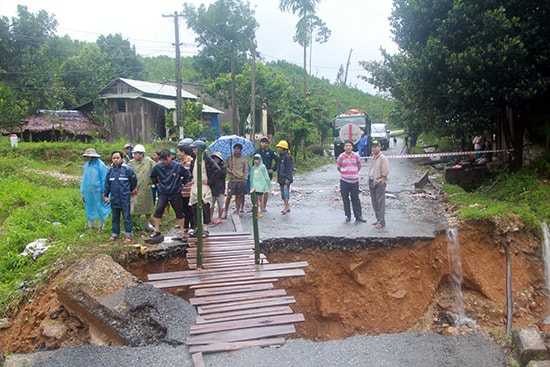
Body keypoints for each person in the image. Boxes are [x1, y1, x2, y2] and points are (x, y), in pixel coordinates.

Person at [149, 149, 190, 241]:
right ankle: (156, 230)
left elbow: (187, 174)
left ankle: (182, 230)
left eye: (166, 159)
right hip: (163, 191)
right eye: (162, 160)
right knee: (158, 209)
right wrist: (157, 184)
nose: (165, 162)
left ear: (170, 157)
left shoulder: (177, 166)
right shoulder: (158, 167)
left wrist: (183, 183)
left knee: (179, 211)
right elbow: (152, 176)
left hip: (175, 191)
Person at [102, 150, 137, 243]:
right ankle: (115, 234)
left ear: (122, 159)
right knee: (115, 218)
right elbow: (107, 185)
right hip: (114, 199)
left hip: (125, 199)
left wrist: (128, 191)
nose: (116, 160)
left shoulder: (127, 170)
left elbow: (133, 181)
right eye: (114, 158)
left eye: (117, 158)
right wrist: (105, 195)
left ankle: (128, 235)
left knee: (126, 217)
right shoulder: (110, 171)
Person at [188, 140, 219, 237]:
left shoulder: (208, 159)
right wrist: (191, 178)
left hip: (205, 186)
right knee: (194, 207)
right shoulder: (194, 159)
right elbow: (190, 171)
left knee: (205, 207)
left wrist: (209, 181)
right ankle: (197, 227)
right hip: (195, 186)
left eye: (195, 149)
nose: (193, 151)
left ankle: (206, 228)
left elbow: (217, 170)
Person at [80, 148, 111, 230]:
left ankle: (100, 226)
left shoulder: (101, 165)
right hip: (88, 191)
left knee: (100, 207)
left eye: (89, 156)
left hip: (98, 192)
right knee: (89, 207)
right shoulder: (87, 165)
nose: (88, 158)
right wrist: (83, 192)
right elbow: (84, 179)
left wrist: (104, 192)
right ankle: (91, 226)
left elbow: (104, 179)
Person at [337, 140, 366, 223]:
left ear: (352, 147)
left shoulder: (356, 156)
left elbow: (359, 166)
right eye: (346, 146)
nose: (348, 147)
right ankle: (348, 215)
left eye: (349, 146)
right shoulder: (341, 156)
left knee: (355, 198)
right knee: (345, 198)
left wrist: (354, 173)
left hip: (354, 181)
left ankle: (358, 216)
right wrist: (345, 173)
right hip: (344, 181)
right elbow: (338, 167)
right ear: (344, 147)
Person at [128, 144, 156, 231]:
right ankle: (137, 222)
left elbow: (156, 171)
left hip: (145, 187)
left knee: (148, 205)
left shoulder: (149, 162)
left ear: (141, 154)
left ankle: (148, 222)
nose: (134, 155)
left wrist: (153, 181)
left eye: (136, 153)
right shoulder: (131, 163)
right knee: (135, 205)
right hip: (135, 188)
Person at [367, 140, 390, 229]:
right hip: (372, 181)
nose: (374, 148)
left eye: (375, 147)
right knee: (374, 202)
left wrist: (382, 180)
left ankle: (381, 221)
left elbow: (385, 170)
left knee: (380, 202)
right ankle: (378, 219)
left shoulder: (382, 158)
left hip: (379, 182)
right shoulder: (374, 157)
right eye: (372, 147)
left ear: (379, 147)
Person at [223, 143, 248, 218]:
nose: (236, 150)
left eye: (238, 149)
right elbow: (225, 166)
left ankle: (237, 211)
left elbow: (246, 170)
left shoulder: (244, 159)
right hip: (232, 180)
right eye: (235, 149)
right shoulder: (230, 158)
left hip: (240, 180)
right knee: (229, 196)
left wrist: (245, 179)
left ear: (240, 150)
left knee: (239, 196)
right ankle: (225, 212)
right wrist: (228, 170)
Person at [254, 137, 278, 212]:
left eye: (265, 142)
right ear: (260, 143)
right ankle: (257, 206)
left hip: (267, 173)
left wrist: (273, 169)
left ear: (267, 144)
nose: (264, 144)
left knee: (265, 190)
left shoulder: (271, 152)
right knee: (258, 190)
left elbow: (278, 161)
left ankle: (264, 206)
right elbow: (253, 162)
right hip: (258, 173)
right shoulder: (257, 152)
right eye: (263, 142)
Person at [177, 145, 195, 234]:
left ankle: (193, 226)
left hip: (190, 189)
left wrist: (191, 182)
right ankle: (185, 226)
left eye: (179, 152)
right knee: (183, 208)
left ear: (183, 152)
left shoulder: (191, 161)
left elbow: (194, 174)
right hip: (181, 189)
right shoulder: (180, 162)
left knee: (190, 208)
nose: (178, 153)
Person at [249, 154, 272, 218]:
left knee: (260, 199)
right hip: (254, 186)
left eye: (257, 159)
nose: (256, 161)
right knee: (255, 199)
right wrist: (251, 185)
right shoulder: (253, 168)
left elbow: (265, 176)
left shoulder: (262, 167)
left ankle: (261, 211)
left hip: (261, 186)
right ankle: (255, 212)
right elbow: (251, 177)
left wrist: (267, 184)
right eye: (255, 159)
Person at [276, 140, 293, 214]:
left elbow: (289, 168)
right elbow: (278, 168)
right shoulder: (280, 157)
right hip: (281, 178)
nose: (278, 149)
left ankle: (286, 207)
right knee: (282, 193)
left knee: (286, 192)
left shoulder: (287, 158)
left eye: (279, 147)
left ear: (283, 148)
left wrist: (288, 178)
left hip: (286, 179)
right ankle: (287, 206)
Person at [210, 152, 227, 224]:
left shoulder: (223, 167)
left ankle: (219, 217)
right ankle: (210, 218)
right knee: (211, 204)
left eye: (217, 158)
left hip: (220, 188)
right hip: (212, 187)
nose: (215, 159)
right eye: (214, 158)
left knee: (220, 204)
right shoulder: (210, 167)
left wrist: (218, 168)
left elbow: (223, 175)